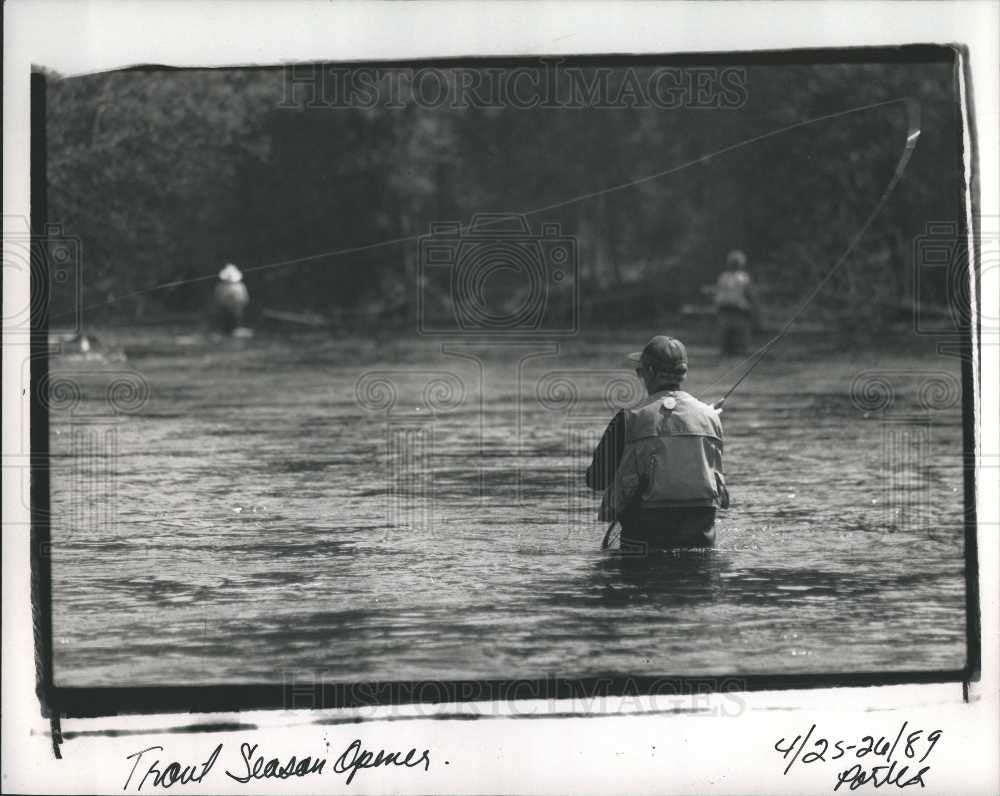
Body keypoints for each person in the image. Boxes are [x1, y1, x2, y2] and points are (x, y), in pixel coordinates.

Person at [586, 335, 728, 551]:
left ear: (649, 372)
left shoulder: (628, 419)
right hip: (701, 541)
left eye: (640, 371)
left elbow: (596, 480)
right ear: (684, 374)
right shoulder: (711, 418)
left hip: (644, 544)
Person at [713, 249, 758, 355]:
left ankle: (731, 350)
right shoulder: (742, 277)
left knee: (730, 332)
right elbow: (749, 294)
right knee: (736, 331)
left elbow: (719, 295)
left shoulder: (724, 276)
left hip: (729, 308)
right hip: (735, 309)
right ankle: (735, 350)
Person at [213, 263, 250, 334]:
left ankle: (235, 329)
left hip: (236, 308)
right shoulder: (220, 286)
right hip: (223, 308)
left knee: (237, 316)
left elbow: (244, 299)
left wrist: (237, 303)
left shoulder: (240, 286)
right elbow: (217, 298)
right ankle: (224, 329)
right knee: (224, 319)